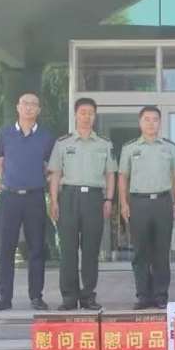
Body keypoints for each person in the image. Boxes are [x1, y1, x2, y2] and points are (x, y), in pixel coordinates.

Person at [48, 97, 117, 310]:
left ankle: (88, 296)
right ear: (76, 115)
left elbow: (110, 174)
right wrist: (54, 201)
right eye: (83, 112)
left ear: (95, 116)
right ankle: (69, 297)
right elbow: (55, 173)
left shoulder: (104, 144)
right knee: (68, 250)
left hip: (94, 199)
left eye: (90, 113)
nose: (86, 117)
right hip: (68, 197)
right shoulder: (63, 143)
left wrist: (108, 199)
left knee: (90, 250)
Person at [0, 92, 55, 312]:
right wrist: (10, 181)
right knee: (5, 248)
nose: (29, 107)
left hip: (35, 198)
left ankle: (36, 296)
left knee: (36, 248)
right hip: (9, 198)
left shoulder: (46, 137)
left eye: (33, 104)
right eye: (25, 103)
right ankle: (4, 297)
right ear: (18, 107)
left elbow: (49, 167)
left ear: (39, 110)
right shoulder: (5, 134)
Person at [118, 106, 175, 309]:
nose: (151, 123)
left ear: (160, 123)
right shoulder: (130, 148)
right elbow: (123, 177)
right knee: (140, 252)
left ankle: (161, 295)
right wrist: (124, 204)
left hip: (163, 202)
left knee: (161, 252)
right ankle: (143, 296)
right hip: (138, 203)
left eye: (155, 119)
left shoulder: (170, 147)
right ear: (140, 122)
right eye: (147, 119)